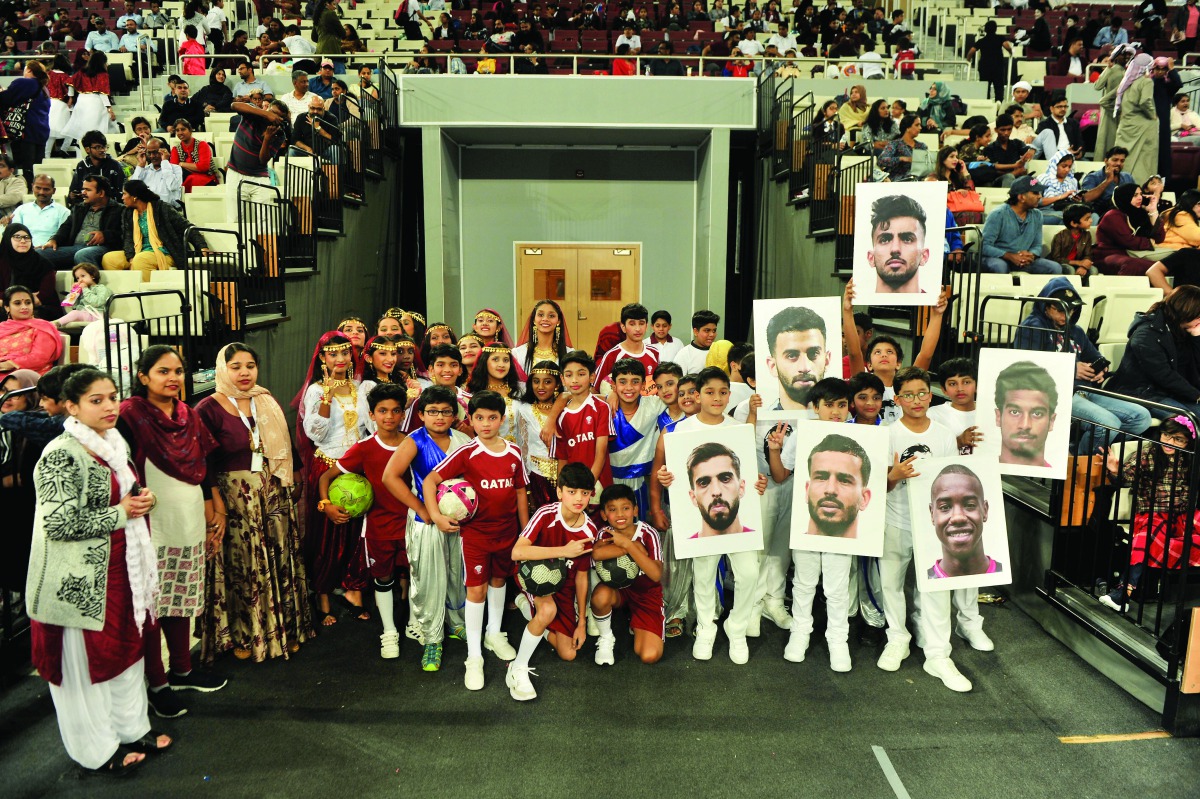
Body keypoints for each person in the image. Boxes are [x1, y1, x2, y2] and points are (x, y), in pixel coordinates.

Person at [27, 368, 172, 775]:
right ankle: (95, 749)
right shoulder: (60, 453)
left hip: (121, 570)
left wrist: (142, 500)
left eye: (112, 397)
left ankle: (131, 730)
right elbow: (58, 524)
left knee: (125, 654)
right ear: (71, 407)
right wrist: (121, 512)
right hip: (78, 583)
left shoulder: (112, 442)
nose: (110, 406)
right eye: (96, 400)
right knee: (83, 669)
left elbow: (124, 497)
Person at [117, 347, 226, 718]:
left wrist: (212, 510)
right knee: (152, 605)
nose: (173, 378)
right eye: (163, 371)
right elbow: (120, 471)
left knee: (180, 596)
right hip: (152, 525)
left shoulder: (187, 414)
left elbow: (203, 466)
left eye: (178, 371)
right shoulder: (130, 415)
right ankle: (157, 683)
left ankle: (182, 670)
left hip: (188, 518)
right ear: (143, 376)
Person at [195, 343, 311, 663]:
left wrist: (296, 476)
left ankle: (283, 628)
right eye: (236, 366)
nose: (244, 373)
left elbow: (285, 441)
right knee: (243, 566)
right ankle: (244, 632)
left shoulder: (266, 400)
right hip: (235, 501)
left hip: (272, 493)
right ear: (223, 369)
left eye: (250, 366)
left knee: (279, 556)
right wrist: (215, 506)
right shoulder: (207, 408)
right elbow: (203, 463)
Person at [654, 367, 767, 663]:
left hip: (740, 519)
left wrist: (759, 482)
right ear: (697, 395)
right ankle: (706, 627)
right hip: (700, 520)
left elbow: (749, 472)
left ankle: (737, 628)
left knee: (749, 572)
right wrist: (666, 478)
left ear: (729, 395)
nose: (717, 398)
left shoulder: (738, 429)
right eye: (709, 392)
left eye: (723, 392)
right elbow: (669, 473)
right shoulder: (680, 431)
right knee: (703, 574)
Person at [423, 390, 531, 692]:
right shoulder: (467, 452)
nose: (486, 424)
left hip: (507, 532)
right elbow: (431, 481)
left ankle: (494, 634)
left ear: (502, 419)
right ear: (470, 420)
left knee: (499, 580)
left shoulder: (513, 452)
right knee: (476, 590)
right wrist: (437, 515)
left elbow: (520, 492)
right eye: (479, 418)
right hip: (476, 535)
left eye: (492, 418)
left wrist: (525, 531)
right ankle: (474, 657)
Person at [881, 366, 970, 691]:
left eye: (921, 393)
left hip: (933, 525)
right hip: (896, 519)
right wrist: (893, 476)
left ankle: (938, 654)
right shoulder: (888, 434)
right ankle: (897, 638)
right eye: (908, 395)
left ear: (931, 396)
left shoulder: (943, 435)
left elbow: (952, 482)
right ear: (897, 399)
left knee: (936, 588)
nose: (916, 400)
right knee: (890, 583)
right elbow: (878, 486)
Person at [381, 385, 471, 671]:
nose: (440, 417)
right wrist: (422, 509)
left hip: (458, 522)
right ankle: (432, 638)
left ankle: (456, 622)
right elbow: (389, 477)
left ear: (455, 415)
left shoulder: (463, 439)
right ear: (421, 414)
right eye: (433, 411)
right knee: (429, 579)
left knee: (457, 573)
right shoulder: (414, 441)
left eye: (446, 411)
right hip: (427, 521)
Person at [319, 382, 409, 659]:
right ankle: (389, 631)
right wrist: (327, 505)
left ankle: (418, 624)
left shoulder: (413, 443)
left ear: (403, 413)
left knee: (416, 576)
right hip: (379, 528)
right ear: (371, 415)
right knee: (383, 578)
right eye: (382, 411)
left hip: (413, 525)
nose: (389, 416)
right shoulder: (364, 447)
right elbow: (326, 477)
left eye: (395, 410)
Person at [1014, 277, 1152, 450]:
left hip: (1085, 390)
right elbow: (1027, 368)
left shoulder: (1076, 331)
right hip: (1054, 394)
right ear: (1046, 306)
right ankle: (1081, 462)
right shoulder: (1031, 328)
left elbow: (1095, 356)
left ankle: (1080, 450)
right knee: (1107, 424)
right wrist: (1072, 369)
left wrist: (1100, 369)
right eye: (1060, 310)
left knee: (1141, 417)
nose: (1066, 315)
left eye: (1071, 310)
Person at [297, 332, 369, 627]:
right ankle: (323, 593)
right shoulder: (316, 391)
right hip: (327, 466)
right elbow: (315, 433)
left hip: (356, 469)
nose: (340, 359)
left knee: (355, 533)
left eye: (345, 353)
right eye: (333, 354)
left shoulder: (360, 388)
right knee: (327, 533)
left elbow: (368, 429)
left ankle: (352, 588)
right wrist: (327, 396)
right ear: (322, 359)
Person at [1100, 416, 1200, 612]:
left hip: (1183, 513)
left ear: (1187, 442)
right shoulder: (1148, 453)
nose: (1169, 442)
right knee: (1148, 537)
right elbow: (1126, 477)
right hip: (1153, 513)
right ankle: (1122, 595)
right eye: (1166, 435)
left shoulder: (1191, 457)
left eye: (1178, 439)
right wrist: (1115, 472)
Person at [589, 483, 665, 666]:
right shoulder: (605, 533)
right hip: (617, 591)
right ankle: (606, 637)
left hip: (646, 594)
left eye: (625, 508)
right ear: (604, 515)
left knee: (649, 655)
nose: (620, 514)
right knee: (600, 596)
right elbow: (597, 554)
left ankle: (635, 620)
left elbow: (655, 575)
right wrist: (632, 548)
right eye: (612, 510)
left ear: (635, 510)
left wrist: (629, 545)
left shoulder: (648, 534)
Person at [1108, 286, 1200, 418]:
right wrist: (1196, 395)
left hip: (1171, 392)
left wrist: (1196, 338)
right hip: (1143, 393)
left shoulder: (1183, 329)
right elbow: (1164, 375)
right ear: (1186, 312)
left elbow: (1195, 367)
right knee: (1189, 421)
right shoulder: (1146, 334)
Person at [102, 181, 207, 281]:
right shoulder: (128, 213)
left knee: (141, 260)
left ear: (135, 196)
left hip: (165, 252)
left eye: (124, 194)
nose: (122, 198)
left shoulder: (162, 208)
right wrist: (130, 258)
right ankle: (126, 290)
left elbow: (186, 227)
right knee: (109, 259)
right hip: (139, 251)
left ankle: (146, 292)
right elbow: (128, 239)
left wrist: (202, 246)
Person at [924, 464, 1002, 578]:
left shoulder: (1009, 576)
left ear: (985, 510)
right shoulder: (922, 582)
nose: (958, 517)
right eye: (945, 507)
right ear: (932, 514)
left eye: (970, 505)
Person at [981, 176, 1065, 275]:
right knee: (1000, 266)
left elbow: (1037, 245)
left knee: (1055, 268)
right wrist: (1010, 256)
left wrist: (1031, 254)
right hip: (998, 258)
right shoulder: (998, 214)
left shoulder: (1037, 215)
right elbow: (984, 246)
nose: (1039, 196)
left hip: (1023, 260)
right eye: (1035, 193)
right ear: (1021, 197)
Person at [41, 175, 123, 270]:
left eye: (88, 190)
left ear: (101, 193)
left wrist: (105, 235)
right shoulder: (79, 208)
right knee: (40, 253)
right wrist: (54, 240)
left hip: (102, 248)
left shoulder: (119, 210)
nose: (83, 193)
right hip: (74, 248)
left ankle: (94, 280)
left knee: (83, 254)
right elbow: (66, 227)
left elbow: (125, 234)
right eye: (83, 189)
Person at [224, 100, 288, 214]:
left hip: (259, 176)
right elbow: (234, 105)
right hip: (235, 173)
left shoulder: (279, 134)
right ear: (267, 108)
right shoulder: (253, 113)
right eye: (273, 112)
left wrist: (267, 139)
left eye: (278, 116)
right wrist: (266, 114)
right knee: (235, 217)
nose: (274, 117)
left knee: (264, 218)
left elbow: (263, 160)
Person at [992, 360, 1059, 468]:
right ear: (998, 417)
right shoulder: (982, 473)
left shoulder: (1057, 478)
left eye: (1037, 414)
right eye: (1015, 412)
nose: (1025, 425)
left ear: (1051, 422)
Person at [1093, 183, 1164, 276]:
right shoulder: (1112, 215)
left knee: (1163, 265)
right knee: (1133, 265)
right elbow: (1128, 241)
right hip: (1107, 255)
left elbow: (1159, 238)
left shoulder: (1139, 213)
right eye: (1135, 195)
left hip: (1130, 254)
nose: (1140, 198)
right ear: (1125, 197)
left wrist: (1153, 211)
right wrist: (1149, 242)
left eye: (1141, 194)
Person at [866, 194, 929, 295]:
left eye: (907, 239)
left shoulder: (934, 303)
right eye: (884, 240)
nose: (895, 249)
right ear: (871, 258)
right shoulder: (857, 302)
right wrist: (847, 306)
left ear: (924, 256)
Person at [0, 62, 50, 189]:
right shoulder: (44, 88)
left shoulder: (25, 83)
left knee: (25, 170)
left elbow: (6, 98)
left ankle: (25, 193)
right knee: (37, 169)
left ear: (29, 70)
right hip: (41, 132)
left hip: (25, 132)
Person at [1113, 53, 1158, 183]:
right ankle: (1141, 188)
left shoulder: (1127, 82)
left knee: (1124, 159)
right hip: (1143, 127)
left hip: (1126, 125)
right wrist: (1153, 115)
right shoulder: (1146, 81)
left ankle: (1122, 185)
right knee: (1144, 160)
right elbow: (1145, 101)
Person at [0, 285, 62, 377]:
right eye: (17, 303)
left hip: (31, 376)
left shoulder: (43, 327)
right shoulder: (2, 327)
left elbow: (39, 358)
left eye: (28, 303)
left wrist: (9, 364)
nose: (24, 307)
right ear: (7, 307)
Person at [0, 224, 58, 315]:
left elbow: (43, 296)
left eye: (27, 237)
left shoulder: (43, 264)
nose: (23, 241)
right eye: (17, 237)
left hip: (38, 309)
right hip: (6, 308)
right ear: (8, 239)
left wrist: (9, 299)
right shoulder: (2, 261)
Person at [62, 51, 114, 147]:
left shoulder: (82, 72)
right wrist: (110, 109)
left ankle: (78, 150)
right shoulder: (103, 74)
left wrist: (70, 97)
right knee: (95, 128)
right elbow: (103, 93)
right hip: (95, 102)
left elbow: (70, 82)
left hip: (81, 101)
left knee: (81, 128)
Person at [1094, 45, 1136, 159]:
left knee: (1115, 141)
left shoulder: (1127, 72)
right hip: (1109, 110)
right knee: (1106, 140)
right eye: (1124, 54)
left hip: (1121, 112)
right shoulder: (1112, 70)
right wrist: (1108, 68)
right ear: (1116, 56)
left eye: (1129, 55)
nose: (1126, 57)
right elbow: (1097, 86)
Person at [9, 176, 70, 248]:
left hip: (48, 250)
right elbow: (16, 234)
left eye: (46, 189)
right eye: (38, 188)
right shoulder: (21, 209)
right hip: (23, 248)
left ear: (53, 191)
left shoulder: (63, 212)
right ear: (32, 187)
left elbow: (62, 236)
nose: (41, 192)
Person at [1080, 147, 1136, 220]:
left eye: (1122, 161)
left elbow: (1137, 196)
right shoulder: (1093, 177)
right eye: (1115, 160)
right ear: (1106, 161)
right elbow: (1086, 198)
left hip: (1125, 214)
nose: (1119, 163)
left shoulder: (1128, 177)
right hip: (1101, 215)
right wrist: (1108, 180)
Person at [67, 132, 125, 202]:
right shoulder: (81, 166)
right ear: (87, 149)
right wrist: (73, 196)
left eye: (104, 146)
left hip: (109, 206)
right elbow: (73, 192)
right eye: (98, 147)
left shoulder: (114, 165)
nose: (103, 150)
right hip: (86, 205)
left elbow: (121, 194)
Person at [130, 139, 183, 211]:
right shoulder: (143, 170)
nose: (152, 156)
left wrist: (165, 162)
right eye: (149, 153)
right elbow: (132, 190)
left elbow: (173, 187)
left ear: (164, 151)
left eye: (155, 152)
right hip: (147, 210)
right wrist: (140, 166)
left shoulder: (175, 168)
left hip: (169, 210)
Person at [54, 263, 112, 328]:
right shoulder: (82, 290)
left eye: (83, 276)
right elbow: (73, 306)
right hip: (84, 314)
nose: (80, 280)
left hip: (97, 315)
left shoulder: (102, 288)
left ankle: (55, 324)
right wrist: (74, 292)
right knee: (74, 313)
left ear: (93, 275)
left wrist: (85, 289)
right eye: (78, 278)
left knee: (75, 313)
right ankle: (55, 325)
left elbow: (97, 302)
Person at [1048, 203, 1098, 277]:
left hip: (1079, 264)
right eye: (1087, 219)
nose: (1091, 221)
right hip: (1063, 264)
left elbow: (1088, 254)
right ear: (1074, 223)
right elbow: (1056, 258)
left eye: (1090, 218)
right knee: (1070, 270)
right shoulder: (1060, 236)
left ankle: (1086, 284)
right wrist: (1078, 263)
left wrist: (1084, 266)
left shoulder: (1087, 235)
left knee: (1093, 270)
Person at [966, 20, 1012, 101]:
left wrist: (968, 60)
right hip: (997, 66)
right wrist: (1011, 52)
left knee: (985, 88)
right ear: (995, 29)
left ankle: (985, 103)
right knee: (999, 88)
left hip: (984, 67)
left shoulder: (981, 40)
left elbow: (971, 51)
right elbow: (1007, 46)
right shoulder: (1000, 38)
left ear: (985, 29)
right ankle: (999, 104)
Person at [169, 119, 218, 192]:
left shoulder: (202, 145)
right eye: (177, 130)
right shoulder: (175, 149)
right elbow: (175, 170)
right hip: (186, 179)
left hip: (206, 179)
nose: (180, 133)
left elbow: (203, 167)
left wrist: (182, 164)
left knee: (192, 178)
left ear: (190, 130)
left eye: (183, 129)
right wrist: (194, 167)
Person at [1032, 94, 1082, 161]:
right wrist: (1063, 153)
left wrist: (1080, 152)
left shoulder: (1073, 123)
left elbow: (1080, 141)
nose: (1063, 109)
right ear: (1051, 109)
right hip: (1053, 158)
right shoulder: (1044, 125)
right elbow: (1042, 148)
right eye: (1059, 107)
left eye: (1065, 106)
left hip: (1072, 156)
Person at [877, 114, 926, 182]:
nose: (920, 128)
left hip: (918, 180)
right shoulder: (894, 144)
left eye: (920, 125)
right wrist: (901, 159)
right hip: (899, 180)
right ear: (907, 128)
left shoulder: (922, 146)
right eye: (917, 125)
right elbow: (881, 161)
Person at [673, 310, 720, 375]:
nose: (712, 334)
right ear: (696, 331)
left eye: (714, 331)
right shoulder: (684, 354)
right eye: (707, 330)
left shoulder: (719, 352)